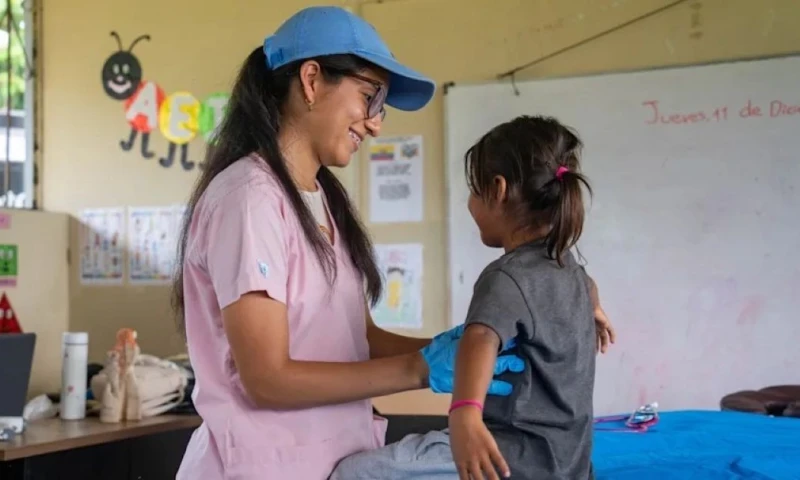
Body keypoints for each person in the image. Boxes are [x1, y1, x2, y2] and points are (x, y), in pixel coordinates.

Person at [172, 6, 615, 479]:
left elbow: (357, 339)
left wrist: (460, 348)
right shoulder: (250, 199)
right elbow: (267, 379)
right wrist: (421, 368)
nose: (376, 123)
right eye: (369, 97)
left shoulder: (322, 201)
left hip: (336, 460)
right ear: (311, 80)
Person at [330, 115, 604, 480]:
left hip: (505, 456)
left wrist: (465, 413)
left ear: (499, 189)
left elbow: (479, 339)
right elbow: (588, 285)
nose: (470, 204)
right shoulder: (570, 270)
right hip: (567, 463)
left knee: (354, 473)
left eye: (474, 191)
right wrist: (595, 308)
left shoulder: (506, 276)